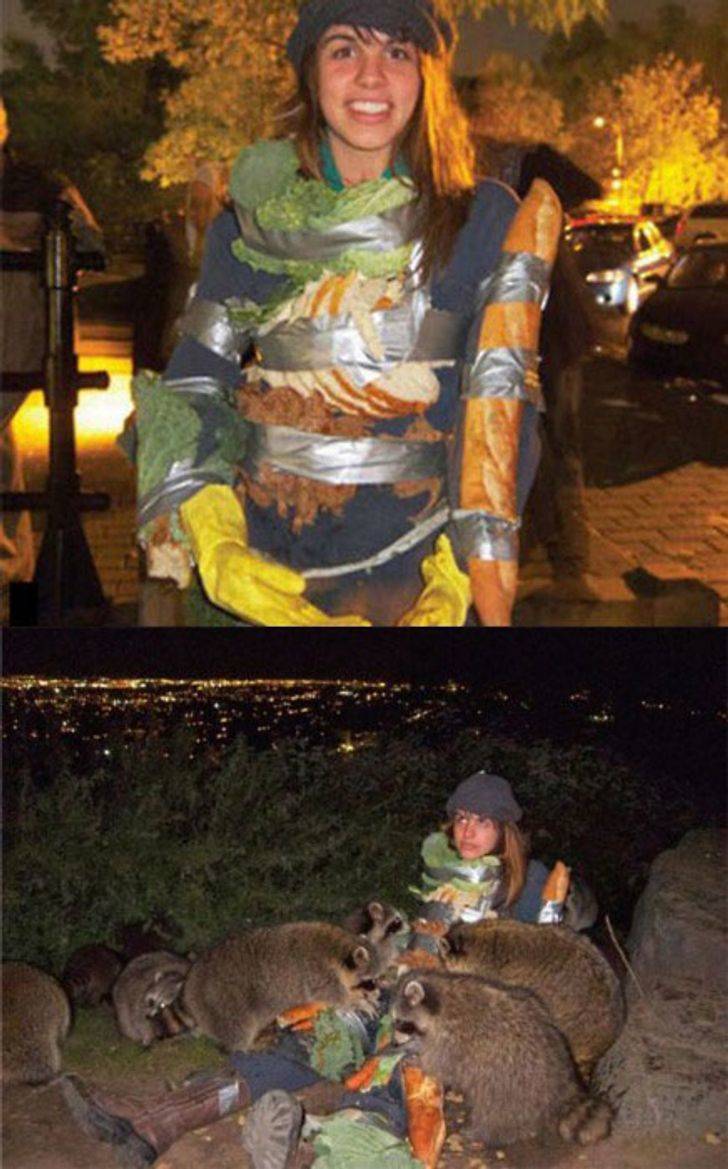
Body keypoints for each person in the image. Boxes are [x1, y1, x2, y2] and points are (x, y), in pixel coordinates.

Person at [130, 0, 562, 626]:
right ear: (311, 73)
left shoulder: (485, 219)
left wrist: (460, 572)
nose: (370, 76)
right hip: (270, 575)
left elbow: (502, 410)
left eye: (396, 52)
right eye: (343, 49)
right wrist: (212, 534)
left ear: (425, 79)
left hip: (422, 573)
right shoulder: (249, 228)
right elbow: (196, 383)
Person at [61, 771, 578, 1169]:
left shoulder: (528, 884)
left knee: (393, 1073)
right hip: (406, 1000)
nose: (467, 830)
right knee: (318, 1033)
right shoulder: (440, 875)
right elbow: (410, 955)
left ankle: (309, 1150)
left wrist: (554, 907)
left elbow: (545, 967)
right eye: (461, 818)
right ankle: (156, 1124)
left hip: (467, 1031)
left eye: (482, 821)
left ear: (504, 830)